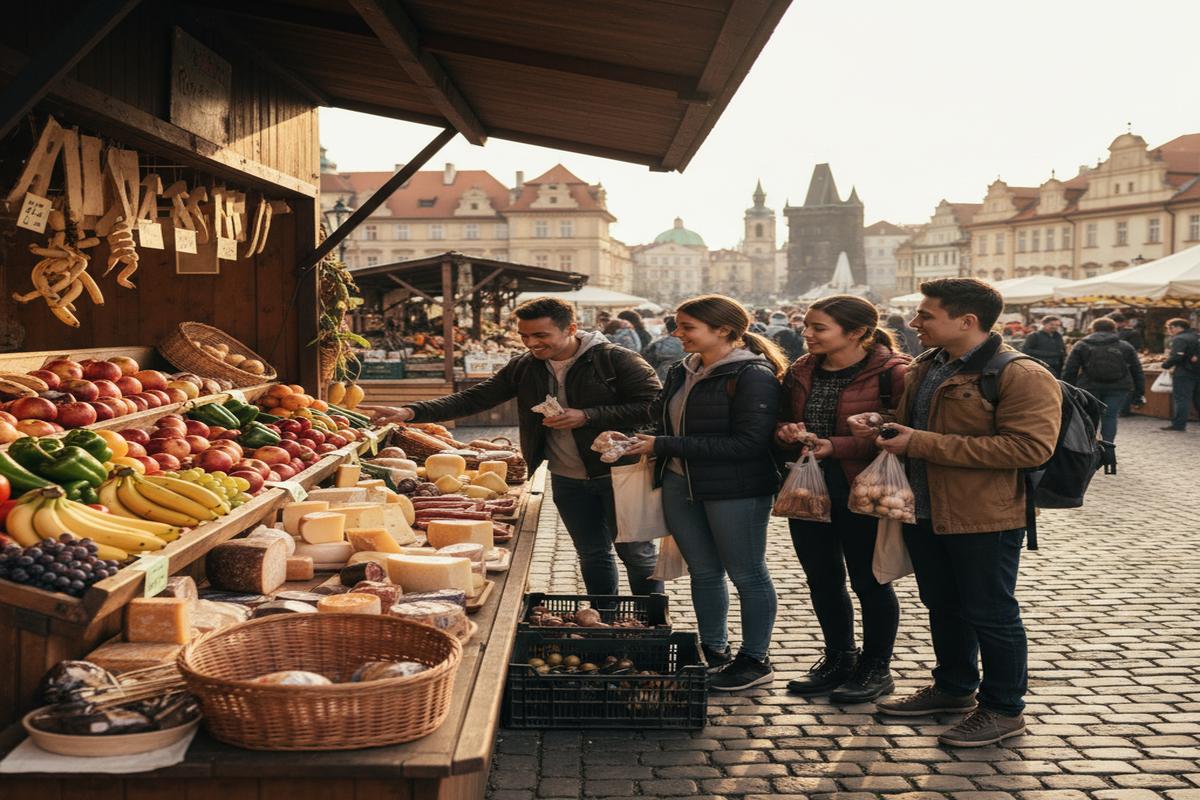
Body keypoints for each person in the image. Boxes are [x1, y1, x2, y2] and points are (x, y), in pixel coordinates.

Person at [848, 278, 1061, 748]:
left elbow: (1030, 448)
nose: (913, 322)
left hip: (984, 515)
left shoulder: (1020, 374)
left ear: (966, 321)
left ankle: (1005, 708)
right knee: (943, 605)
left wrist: (919, 442)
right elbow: (918, 425)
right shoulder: (928, 364)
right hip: (926, 509)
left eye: (926, 315)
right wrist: (883, 424)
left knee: (991, 612)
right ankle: (953, 688)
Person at [361, 297, 664, 596]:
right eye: (524, 335)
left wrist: (588, 416)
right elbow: (475, 398)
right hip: (567, 478)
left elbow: (654, 404)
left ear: (571, 328)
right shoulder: (526, 366)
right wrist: (411, 412)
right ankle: (609, 618)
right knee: (592, 554)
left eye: (541, 335)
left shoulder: (615, 359)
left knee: (637, 554)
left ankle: (653, 624)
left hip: (620, 473)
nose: (531, 342)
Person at [625, 294, 786, 691]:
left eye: (687, 327)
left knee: (747, 573)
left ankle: (755, 658)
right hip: (682, 482)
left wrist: (662, 445)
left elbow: (748, 444)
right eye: (677, 325)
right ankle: (714, 649)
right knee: (703, 571)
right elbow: (667, 419)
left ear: (724, 331)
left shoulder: (752, 375)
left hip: (737, 489)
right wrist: (636, 438)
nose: (677, 334)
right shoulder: (685, 369)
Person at [776, 296, 909, 703]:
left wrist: (837, 446)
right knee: (823, 579)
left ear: (857, 333)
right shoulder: (801, 370)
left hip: (864, 490)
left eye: (819, 328)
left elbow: (906, 434)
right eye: (807, 326)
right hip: (808, 487)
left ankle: (875, 668)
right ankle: (838, 659)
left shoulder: (895, 374)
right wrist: (786, 432)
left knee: (870, 582)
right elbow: (782, 418)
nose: (807, 334)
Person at [1062, 317, 1144, 442]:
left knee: (1089, 416)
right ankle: (1108, 447)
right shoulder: (1125, 345)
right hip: (1118, 387)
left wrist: (1068, 390)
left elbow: (1070, 369)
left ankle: (1090, 446)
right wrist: (1140, 392)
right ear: (1114, 329)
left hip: (1089, 387)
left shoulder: (1081, 345)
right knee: (1110, 417)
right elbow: (1137, 370)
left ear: (1093, 329)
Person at [1161, 317, 1200, 432]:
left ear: (1178, 327)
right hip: (1197, 371)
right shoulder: (1197, 336)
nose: (1169, 330)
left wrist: (1165, 365)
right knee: (1198, 398)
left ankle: (1178, 425)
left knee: (1182, 399)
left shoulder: (1180, 339)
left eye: (1170, 328)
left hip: (1184, 372)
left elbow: (1177, 357)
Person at [641, 314, 686, 379]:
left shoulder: (659, 343)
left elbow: (646, 363)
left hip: (664, 378)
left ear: (667, 328)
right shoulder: (694, 341)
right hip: (686, 378)